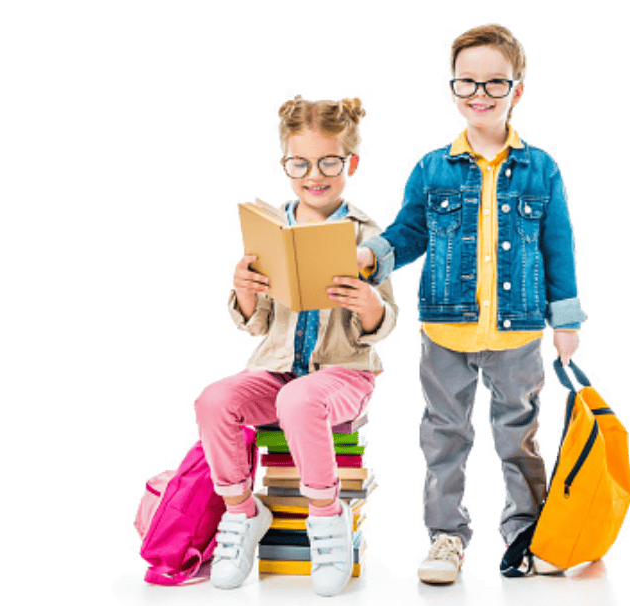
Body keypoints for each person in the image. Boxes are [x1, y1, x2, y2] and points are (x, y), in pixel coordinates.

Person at [357, 24, 587, 582]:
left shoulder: (540, 170)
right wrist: (373, 256)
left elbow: (557, 247)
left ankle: (525, 538)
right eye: (466, 84)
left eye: (493, 83)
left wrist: (566, 320)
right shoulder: (433, 168)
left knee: (519, 437)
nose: (479, 95)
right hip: (445, 330)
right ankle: (444, 539)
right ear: (449, 87)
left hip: (517, 334)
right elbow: (410, 231)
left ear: (517, 88)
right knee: (444, 434)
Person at [193, 97, 398, 597]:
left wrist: (367, 302)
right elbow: (257, 325)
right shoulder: (270, 229)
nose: (314, 175)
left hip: (344, 372)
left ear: (350, 164)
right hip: (278, 367)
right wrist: (243, 290)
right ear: (283, 163)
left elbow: (383, 324)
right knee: (213, 400)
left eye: (329, 162)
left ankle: (328, 517)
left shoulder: (370, 238)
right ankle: (243, 512)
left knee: (299, 400)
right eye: (299, 163)